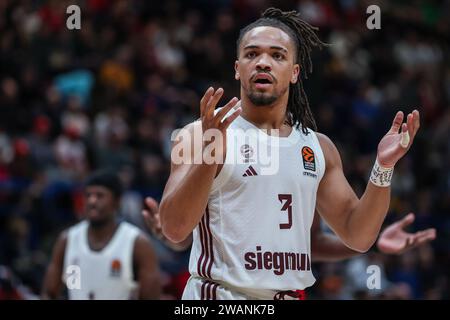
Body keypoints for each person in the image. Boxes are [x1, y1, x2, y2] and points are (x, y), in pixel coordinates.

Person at [156, 7, 425, 300]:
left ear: (294, 72)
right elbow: (174, 228)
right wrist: (209, 156)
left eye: (277, 55)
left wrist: (383, 167)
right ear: (237, 68)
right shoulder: (199, 133)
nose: (263, 63)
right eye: (251, 54)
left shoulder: (318, 148)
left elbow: (358, 235)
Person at [41, 170, 161, 300]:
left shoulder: (137, 243)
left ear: (117, 202)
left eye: (100, 195)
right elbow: (49, 293)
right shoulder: (67, 239)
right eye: (88, 195)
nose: (92, 201)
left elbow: (151, 296)